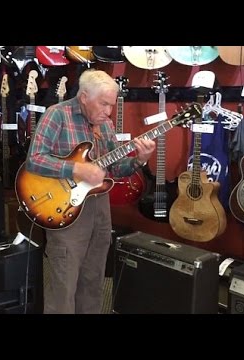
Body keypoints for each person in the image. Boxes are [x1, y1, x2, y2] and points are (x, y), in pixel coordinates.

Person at [26, 69, 156, 314]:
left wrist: (139, 159)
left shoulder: (105, 125)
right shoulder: (57, 115)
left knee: (93, 279)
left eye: (111, 105)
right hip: (63, 206)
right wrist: (76, 169)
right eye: (103, 104)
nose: (108, 112)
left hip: (99, 209)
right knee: (64, 283)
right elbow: (34, 160)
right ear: (84, 97)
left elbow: (117, 168)